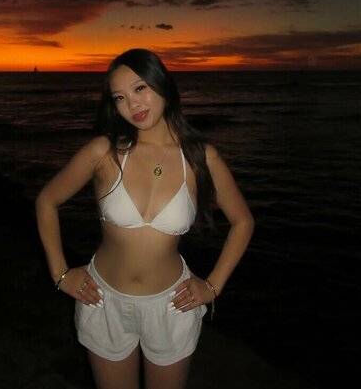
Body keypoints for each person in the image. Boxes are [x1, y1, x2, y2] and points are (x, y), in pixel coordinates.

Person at [36, 48, 254, 389]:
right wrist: (60, 274)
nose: (132, 104)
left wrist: (212, 286)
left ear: (162, 83)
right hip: (103, 300)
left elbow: (243, 222)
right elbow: (47, 201)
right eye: (119, 97)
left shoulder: (201, 157)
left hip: (172, 305)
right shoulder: (104, 152)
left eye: (140, 88)